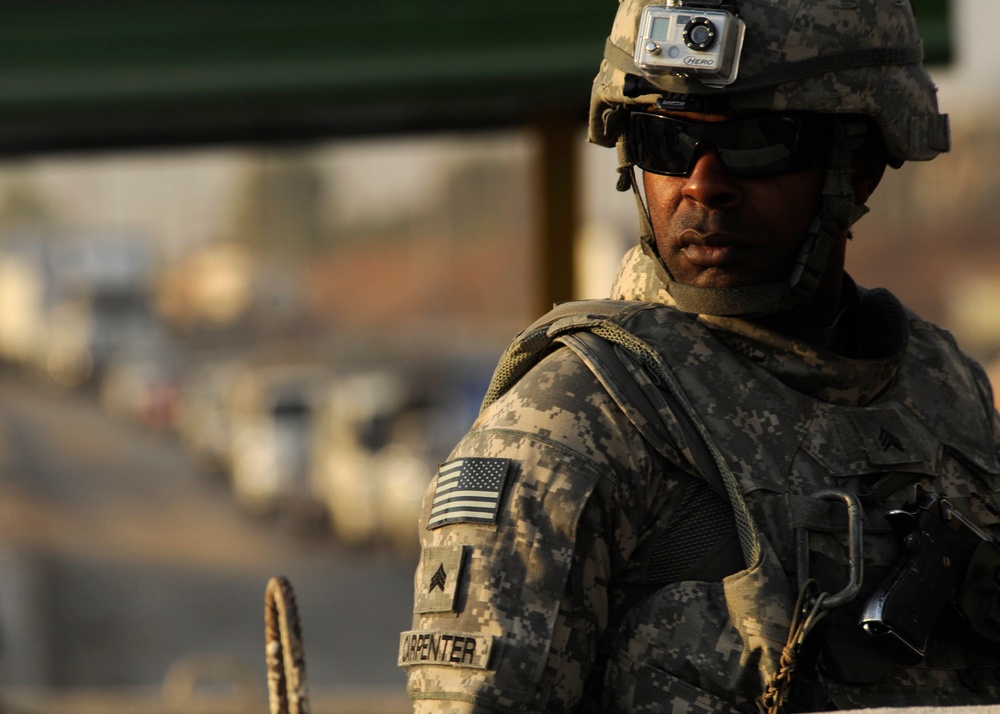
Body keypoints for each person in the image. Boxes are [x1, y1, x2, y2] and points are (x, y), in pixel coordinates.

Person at [399, 0, 1000, 711]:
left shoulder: (944, 391)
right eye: (666, 141)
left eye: (756, 141)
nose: (703, 183)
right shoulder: (574, 423)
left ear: (858, 165)